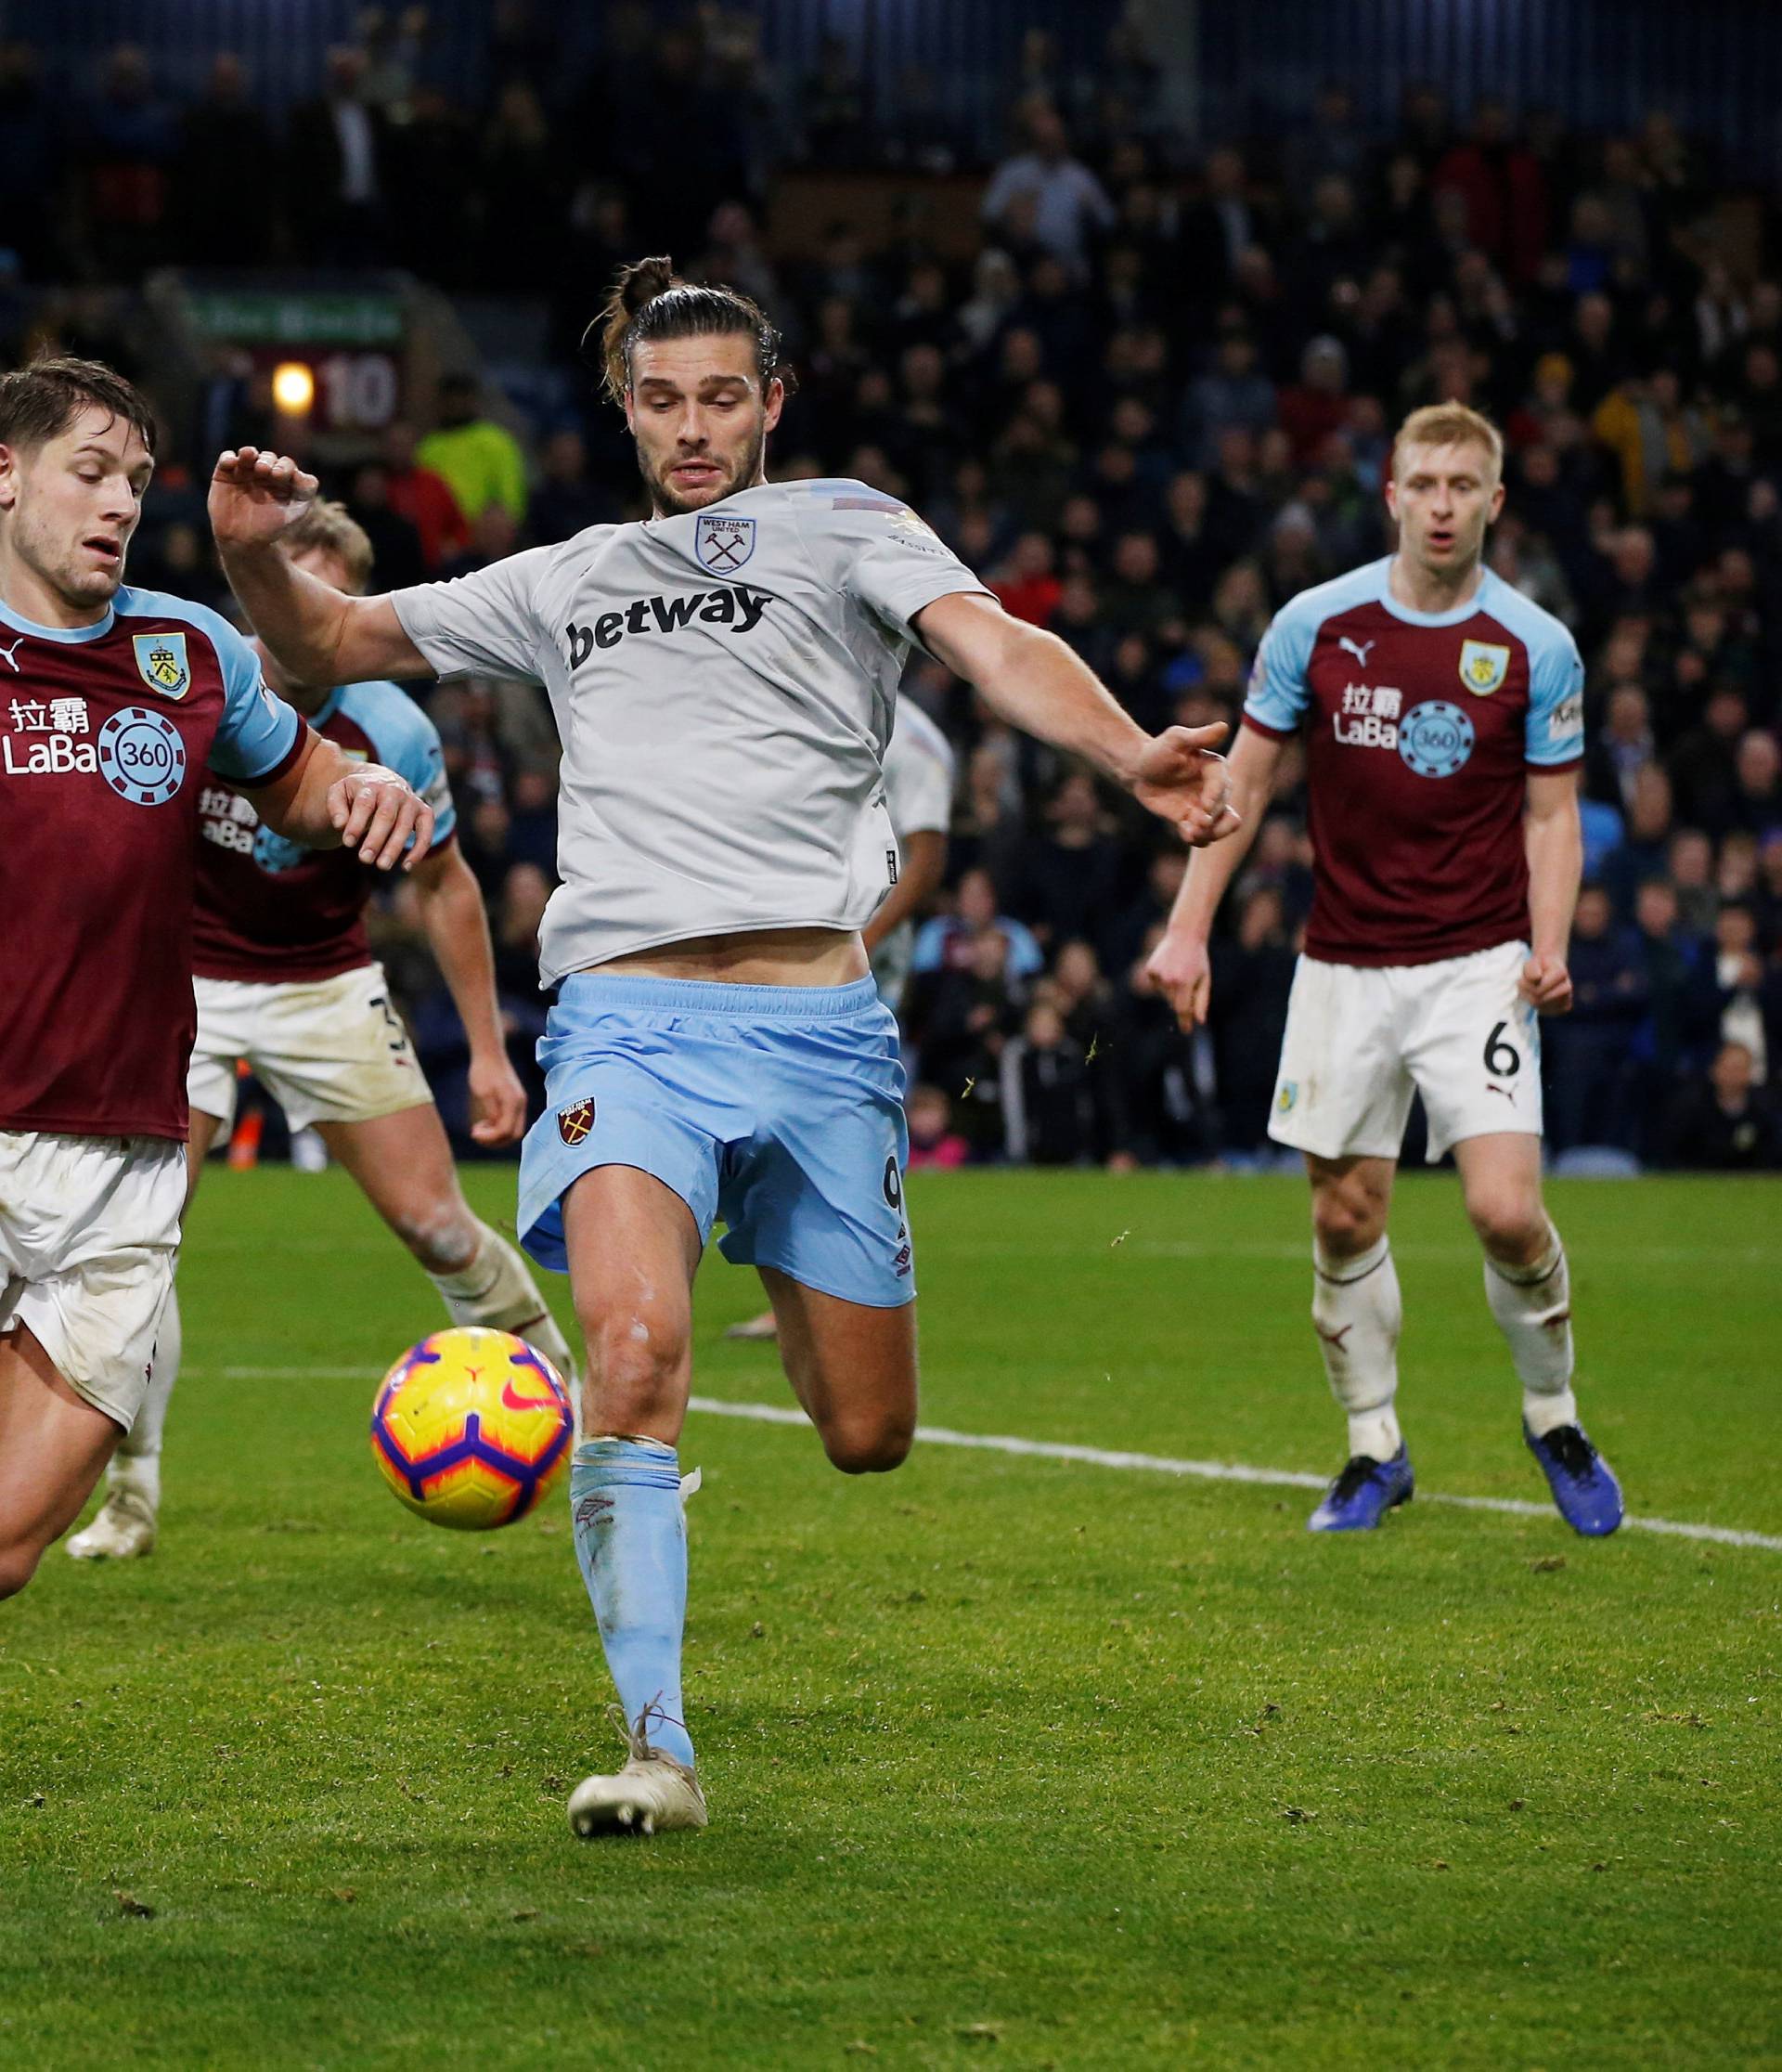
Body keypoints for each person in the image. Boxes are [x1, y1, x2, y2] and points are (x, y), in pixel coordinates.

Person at [205, 257, 1235, 1839]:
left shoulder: (850, 525)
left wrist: (1125, 752)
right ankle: (656, 1748)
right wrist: (250, 557)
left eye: (721, 397)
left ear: (772, 402)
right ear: (625, 406)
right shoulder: (568, 574)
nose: (692, 428)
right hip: (630, 1018)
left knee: (867, 1435)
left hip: (819, 1029)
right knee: (630, 1358)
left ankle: (758, 1232)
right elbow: (328, 639)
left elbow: (997, 641)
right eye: (662, 400)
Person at [1149, 401, 1625, 1537]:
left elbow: (1551, 818)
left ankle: (1553, 1414)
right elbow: (1247, 786)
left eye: (1467, 485)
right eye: (1427, 484)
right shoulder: (1317, 624)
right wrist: (1187, 927)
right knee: (1346, 1218)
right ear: (1394, 496)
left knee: (1507, 1213)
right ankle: (1375, 1449)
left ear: (1496, 502)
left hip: (1478, 966)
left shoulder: (1536, 645)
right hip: (1344, 967)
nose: (1446, 504)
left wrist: (1551, 943)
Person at [0, 355, 433, 1602]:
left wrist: (362, 791)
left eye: (136, 480)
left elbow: (299, 781)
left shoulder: (186, 652)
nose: (121, 503)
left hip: (127, 1160)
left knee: (12, 1548)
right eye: (90, 473)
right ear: (7, 478)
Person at [67, 499, 574, 1562]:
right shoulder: (188, 685)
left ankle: (575, 1416)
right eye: (282, 586)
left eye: (325, 595)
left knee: (438, 1225)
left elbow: (443, 884)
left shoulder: (389, 728)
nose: (298, 611)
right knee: (143, 1247)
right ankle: (134, 1493)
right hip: (183, 984)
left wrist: (487, 1049)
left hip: (325, 981)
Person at [726, 692, 956, 1342]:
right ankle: (803, 1284)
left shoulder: (912, 740)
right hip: (801, 932)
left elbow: (928, 855)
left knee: (827, 1112)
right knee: (784, 1107)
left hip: (858, 953)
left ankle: (843, 1285)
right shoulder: (816, 708)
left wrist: (869, 936)